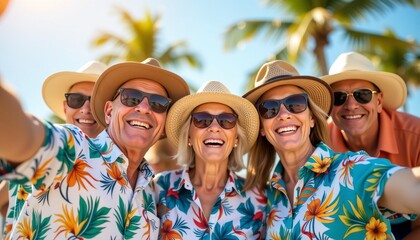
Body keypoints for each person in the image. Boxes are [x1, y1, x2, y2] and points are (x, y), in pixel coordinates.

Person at [0, 58, 190, 239]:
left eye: (158, 104)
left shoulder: (152, 193)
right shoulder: (74, 148)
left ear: (164, 125)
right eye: (131, 98)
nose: (144, 108)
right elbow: (22, 135)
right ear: (108, 112)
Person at [243, 60, 420, 239]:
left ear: (311, 117)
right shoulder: (268, 198)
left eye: (295, 104)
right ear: (262, 128)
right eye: (270, 109)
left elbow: (413, 185)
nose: (284, 114)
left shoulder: (352, 170)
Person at [0, 60, 108, 238]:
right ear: (66, 107)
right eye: (76, 100)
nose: (86, 109)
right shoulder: (57, 147)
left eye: (95, 102)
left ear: (109, 110)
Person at [321, 51, 420, 239]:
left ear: (379, 101)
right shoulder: (319, 147)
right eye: (339, 97)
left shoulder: (416, 136)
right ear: (329, 107)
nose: (351, 105)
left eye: (362, 95)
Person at [153, 80, 267, 239]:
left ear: (236, 139)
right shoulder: (159, 188)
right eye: (202, 119)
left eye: (226, 120)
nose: (214, 127)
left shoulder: (260, 199)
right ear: (189, 136)